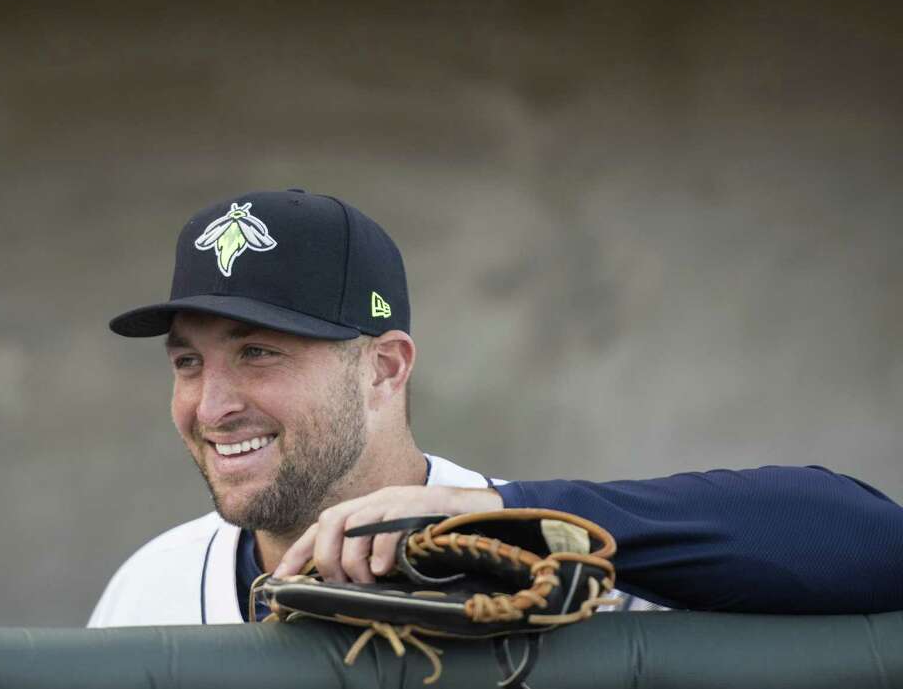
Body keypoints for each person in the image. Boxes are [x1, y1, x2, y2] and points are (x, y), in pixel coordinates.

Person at [88, 189, 903, 627]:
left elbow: (873, 541)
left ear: (383, 367)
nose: (214, 403)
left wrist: (501, 514)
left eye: (258, 351)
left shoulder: (547, 559)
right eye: (188, 362)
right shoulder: (148, 586)